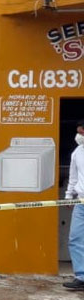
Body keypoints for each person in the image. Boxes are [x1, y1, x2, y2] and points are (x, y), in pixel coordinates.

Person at [64, 120, 84, 291]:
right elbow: (73, 176)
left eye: (82, 132)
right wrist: (69, 196)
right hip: (80, 202)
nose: (79, 136)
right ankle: (81, 276)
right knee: (75, 238)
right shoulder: (77, 153)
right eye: (78, 132)